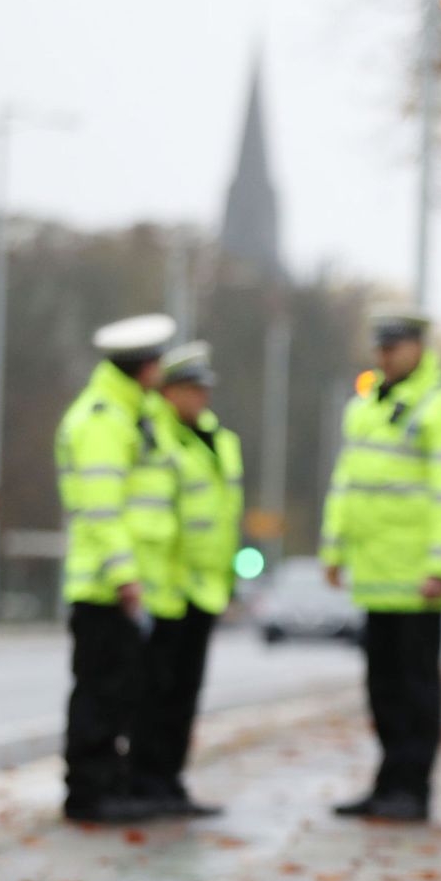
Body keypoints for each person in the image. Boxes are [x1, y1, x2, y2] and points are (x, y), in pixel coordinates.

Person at [319, 309, 441, 822]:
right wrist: (333, 547)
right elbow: (347, 482)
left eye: (394, 348)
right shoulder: (366, 406)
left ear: (418, 348)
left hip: (417, 579)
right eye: (380, 349)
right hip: (375, 575)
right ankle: (388, 782)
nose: (385, 358)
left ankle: (411, 789)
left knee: (414, 688)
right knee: (382, 688)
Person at [54, 312, 178, 824]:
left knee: (119, 693)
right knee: (100, 695)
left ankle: (109, 785)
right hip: (106, 584)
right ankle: (89, 791)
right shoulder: (105, 419)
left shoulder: (133, 414)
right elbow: (103, 509)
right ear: (146, 367)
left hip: (123, 583)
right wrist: (126, 576)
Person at [127, 341, 243, 818]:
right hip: (164, 587)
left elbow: (223, 517)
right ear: (168, 391)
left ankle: (170, 782)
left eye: (203, 390)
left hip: (204, 586)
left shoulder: (222, 441)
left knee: (185, 694)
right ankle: (144, 781)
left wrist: (228, 578)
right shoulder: (155, 436)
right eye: (190, 389)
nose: (200, 399)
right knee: (153, 692)